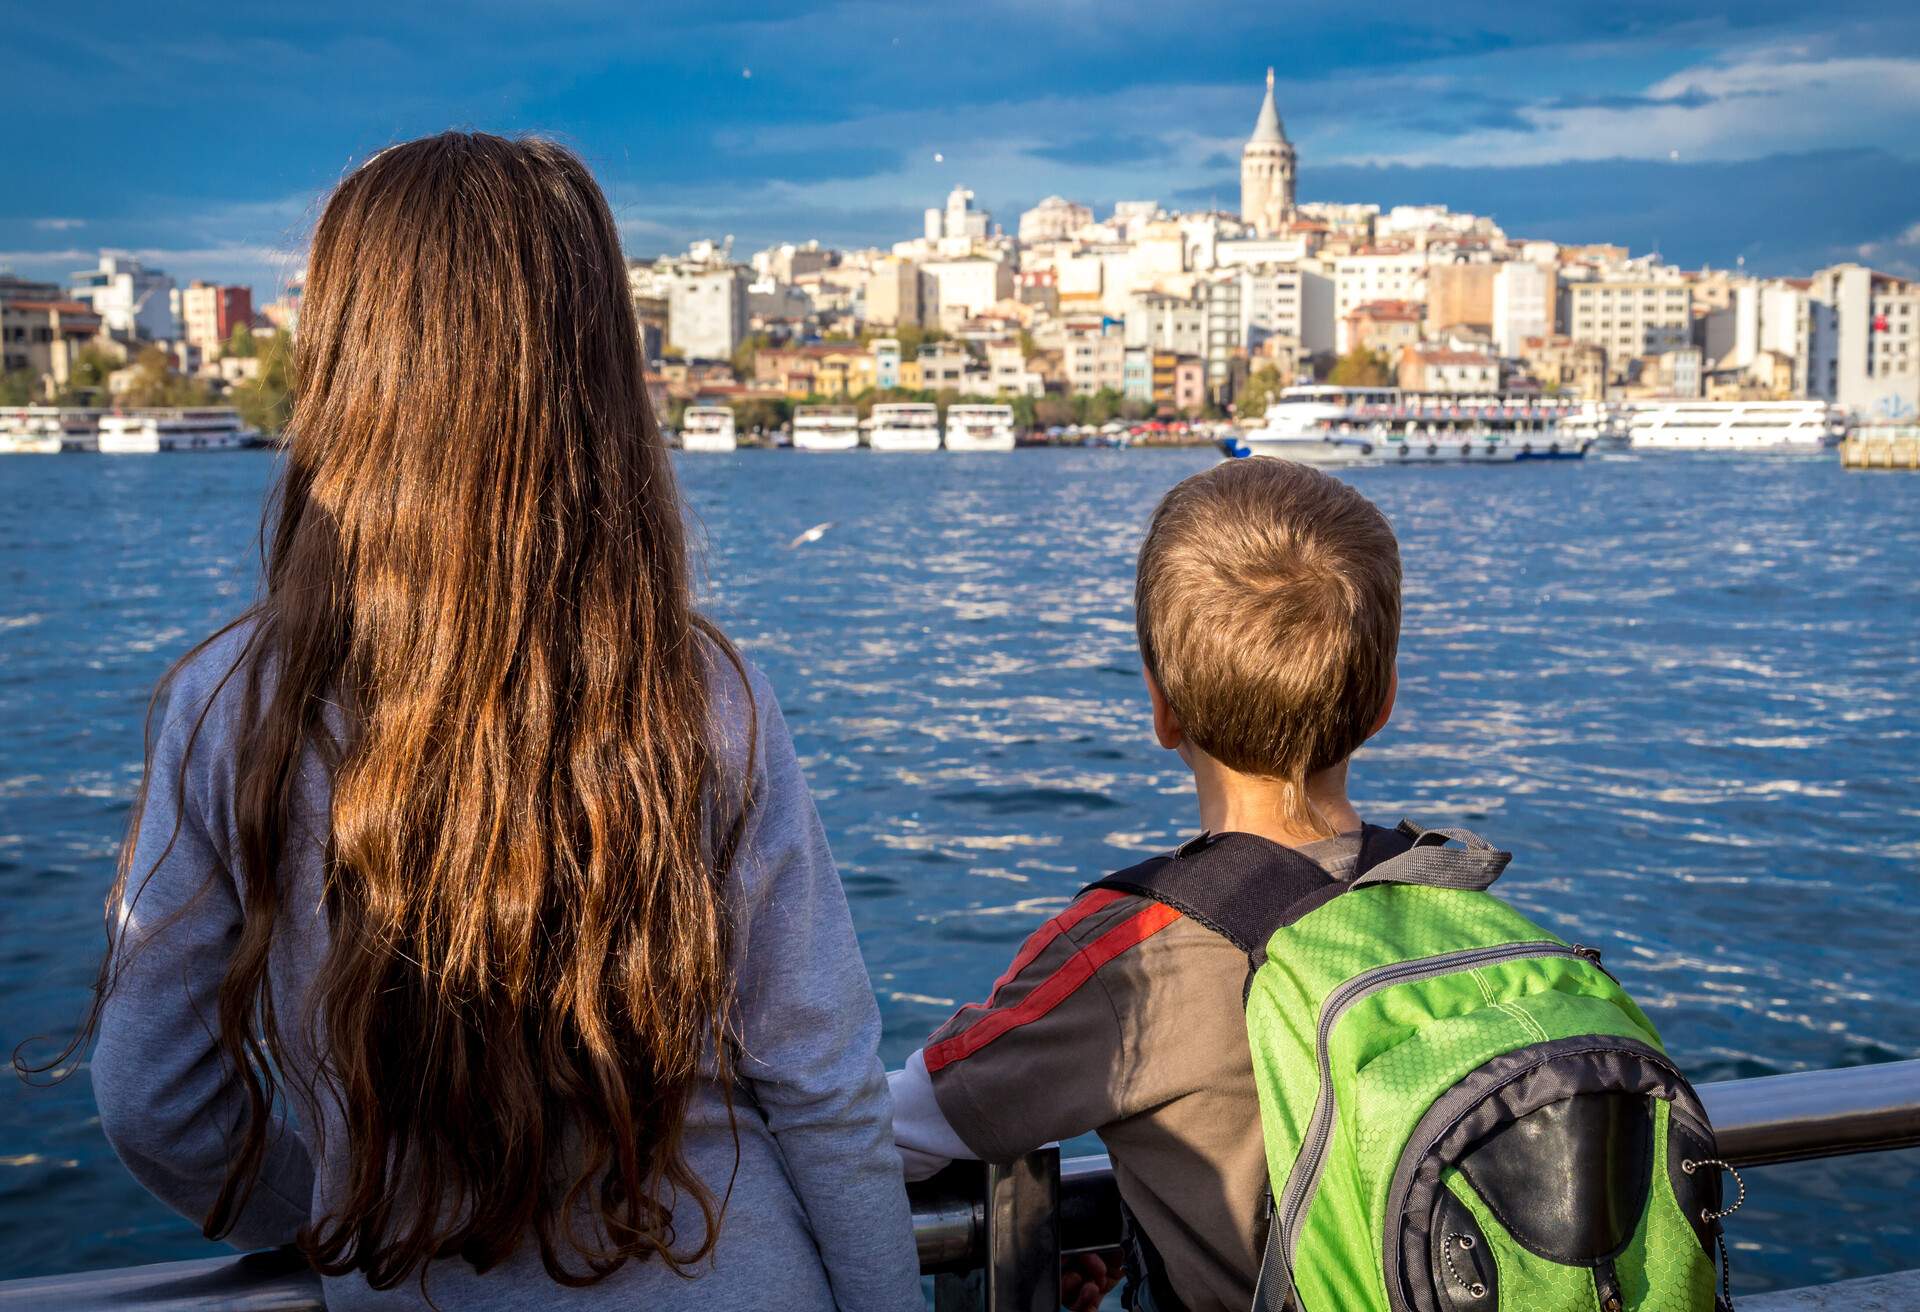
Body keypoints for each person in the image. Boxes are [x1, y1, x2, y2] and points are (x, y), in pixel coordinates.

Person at [57, 133, 922, 1309]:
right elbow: (820, 1081)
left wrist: (346, 1204)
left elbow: (152, 1094)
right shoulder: (705, 695)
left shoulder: (233, 702)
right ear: (598, 373)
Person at [890, 458, 1404, 1311]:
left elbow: (890, 1134)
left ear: (1162, 709)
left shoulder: (1135, 955)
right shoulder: (1462, 905)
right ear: (1384, 702)